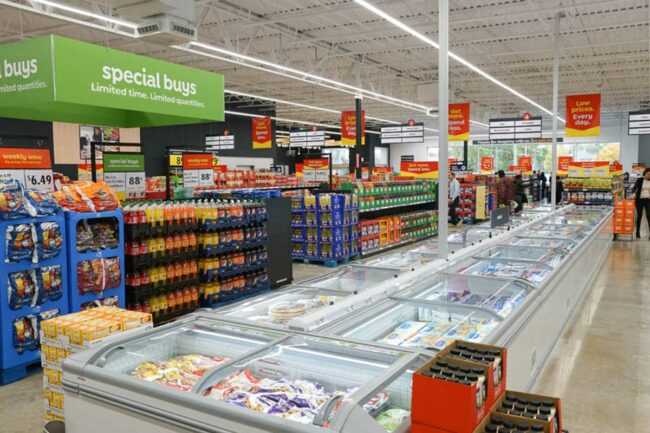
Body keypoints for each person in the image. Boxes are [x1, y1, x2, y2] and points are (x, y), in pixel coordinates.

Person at [632, 168, 650, 238]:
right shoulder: (640, 180)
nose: (649, 176)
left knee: (649, 216)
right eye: (648, 174)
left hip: (648, 200)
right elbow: (634, 188)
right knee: (640, 215)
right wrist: (633, 193)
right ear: (644, 174)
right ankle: (637, 232)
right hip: (639, 200)